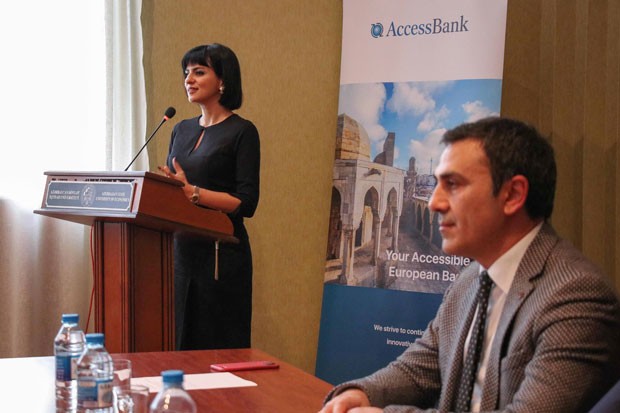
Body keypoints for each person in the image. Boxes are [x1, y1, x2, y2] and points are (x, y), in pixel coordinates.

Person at [320, 117, 620, 413]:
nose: (434, 202)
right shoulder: (470, 279)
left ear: (513, 195)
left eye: (452, 184)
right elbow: (420, 367)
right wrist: (362, 393)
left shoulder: (577, 298)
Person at [159, 43, 260, 350]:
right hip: (181, 251)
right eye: (186, 73)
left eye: (199, 72)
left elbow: (246, 202)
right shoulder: (180, 129)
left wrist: (194, 193)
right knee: (179, 341)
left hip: (221, 255)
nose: (188, 79)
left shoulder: (242, 132)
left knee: (216, 346)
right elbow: (173, 187)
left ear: (223, 80)